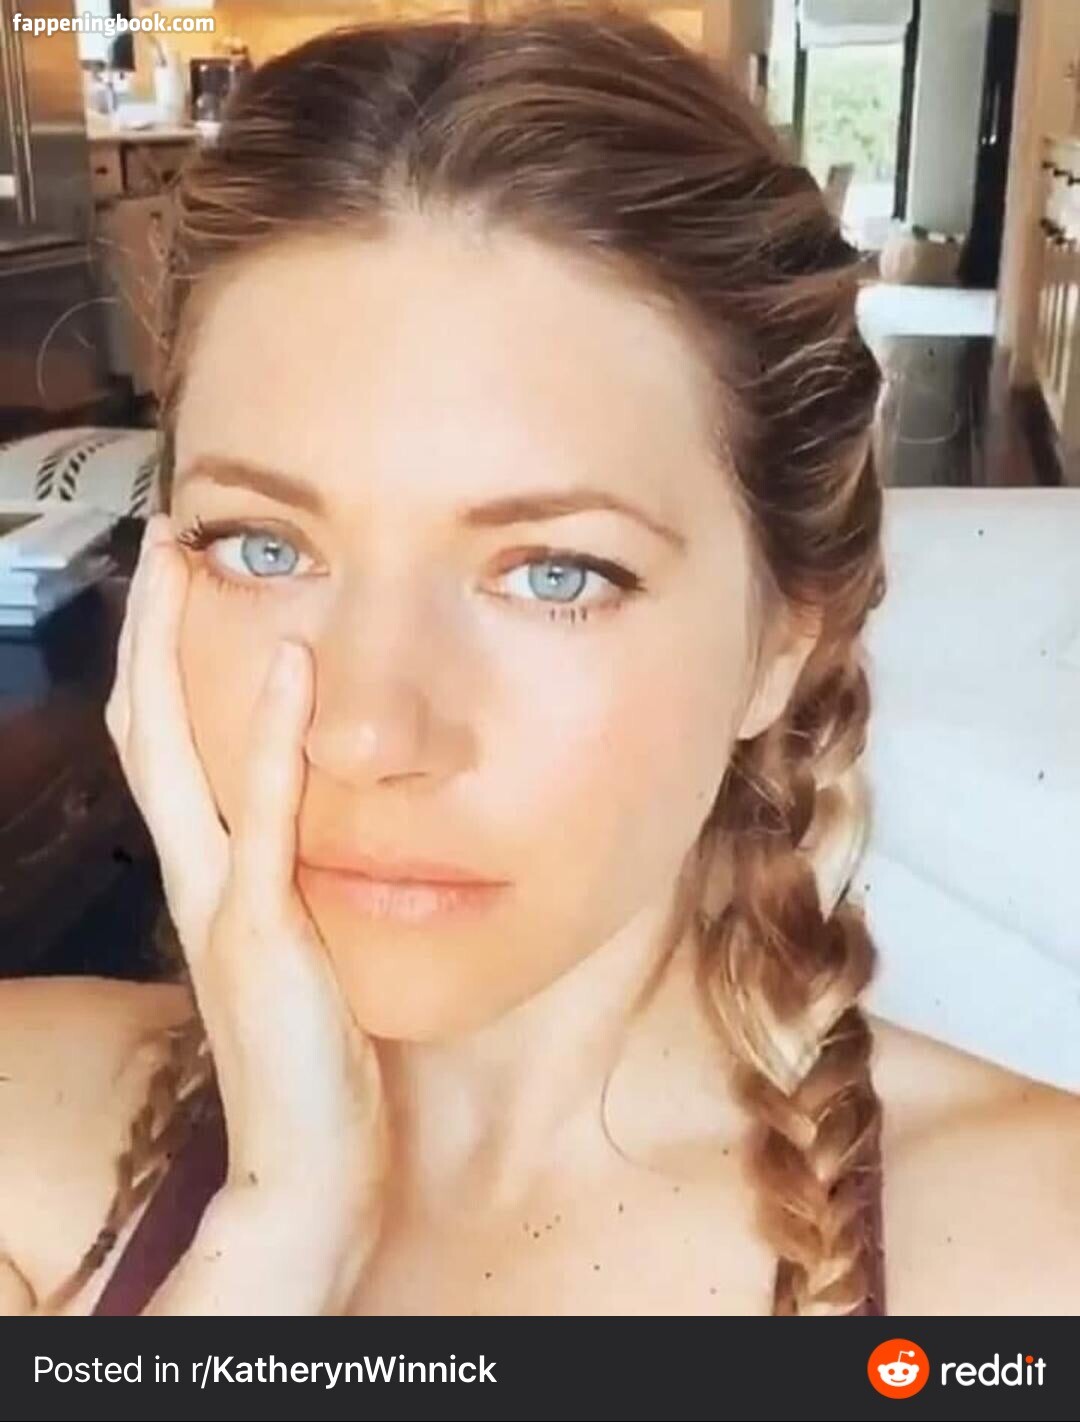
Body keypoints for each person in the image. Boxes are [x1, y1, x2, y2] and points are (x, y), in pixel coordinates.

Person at [2, 5, 1078, 1319]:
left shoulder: (1041, 1255)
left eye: (556, 574)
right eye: (263, 547)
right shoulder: (21, 1146)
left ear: (784, 637)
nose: (368, 734)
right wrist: (278, 1233)